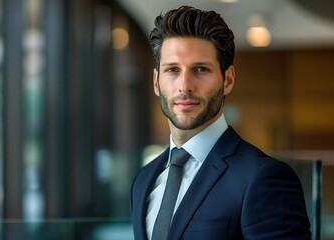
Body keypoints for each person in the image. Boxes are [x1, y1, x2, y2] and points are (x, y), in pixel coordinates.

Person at [129, 5, 311, 240]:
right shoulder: (143, 180)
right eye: (172, 69)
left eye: (201, 69)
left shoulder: (264, 178)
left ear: (228, 80)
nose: (185, 86)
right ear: (156, 82)